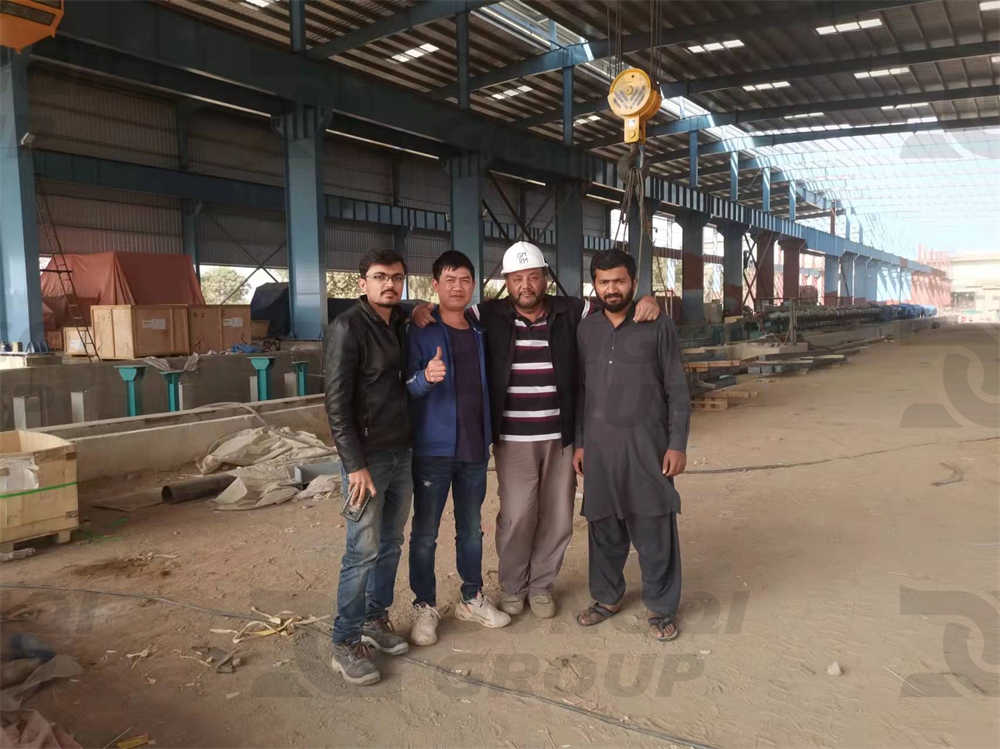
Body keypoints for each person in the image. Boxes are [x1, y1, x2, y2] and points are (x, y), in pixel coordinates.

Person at [414, 241, 660, 619]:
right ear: (506, 282)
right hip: (513, 440)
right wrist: (421, 309)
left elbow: (616, 301)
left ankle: (541, 585)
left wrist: (649, 298)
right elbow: (450, 309)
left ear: (545, 278)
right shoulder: (488, 313)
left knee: (559, 516)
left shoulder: (572, 309)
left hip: (560, 437)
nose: (525, 285)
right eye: (516, 278)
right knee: (516, 516)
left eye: (532, 276)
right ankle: (513, 586)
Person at [573, 249, 690, 642]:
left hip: (648, 447)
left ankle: (661, 607)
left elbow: (677, 388)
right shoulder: (587, 329)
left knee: (654, 524)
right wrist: (580, 442)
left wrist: (677, 444)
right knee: (603, 524)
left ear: (634, 283)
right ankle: (607, 598)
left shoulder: (657, 326)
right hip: (601, 450)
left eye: (619, 281)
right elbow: (581, 392)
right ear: (595, 285)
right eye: (604, 282)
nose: (612, 289)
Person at [405, 251, 511, 646]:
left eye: (465, 279)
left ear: (473, 284)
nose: (457, 286)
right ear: (435, 285)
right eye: (449, 279)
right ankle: (424, 604)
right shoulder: (419, 329)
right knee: (426, 533)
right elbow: (405, 387)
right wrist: (425, 378)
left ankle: (471, 597)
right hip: (432, 448)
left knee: (471, 529)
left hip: (473, 447)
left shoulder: (480, 328)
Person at [324, 248, 413, 686]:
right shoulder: (347, 328)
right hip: (368, 460)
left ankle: (375, 620)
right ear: (362, 283)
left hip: (402, 452)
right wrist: (353, 465)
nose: (389, 284)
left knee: (391, 542)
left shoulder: (400, 321)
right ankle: (343, 642)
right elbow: (336, 403)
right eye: (380, 277)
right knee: (362, 549)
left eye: (396, 277)